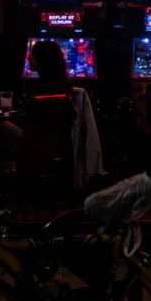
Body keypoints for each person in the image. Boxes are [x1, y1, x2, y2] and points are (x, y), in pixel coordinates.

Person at [27, 40, 104, 190]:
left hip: (34, 142)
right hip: (57, 144)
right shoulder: (68, 90)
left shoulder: (38, 90)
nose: (29, 58)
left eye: (33, 55)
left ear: (42, 59)